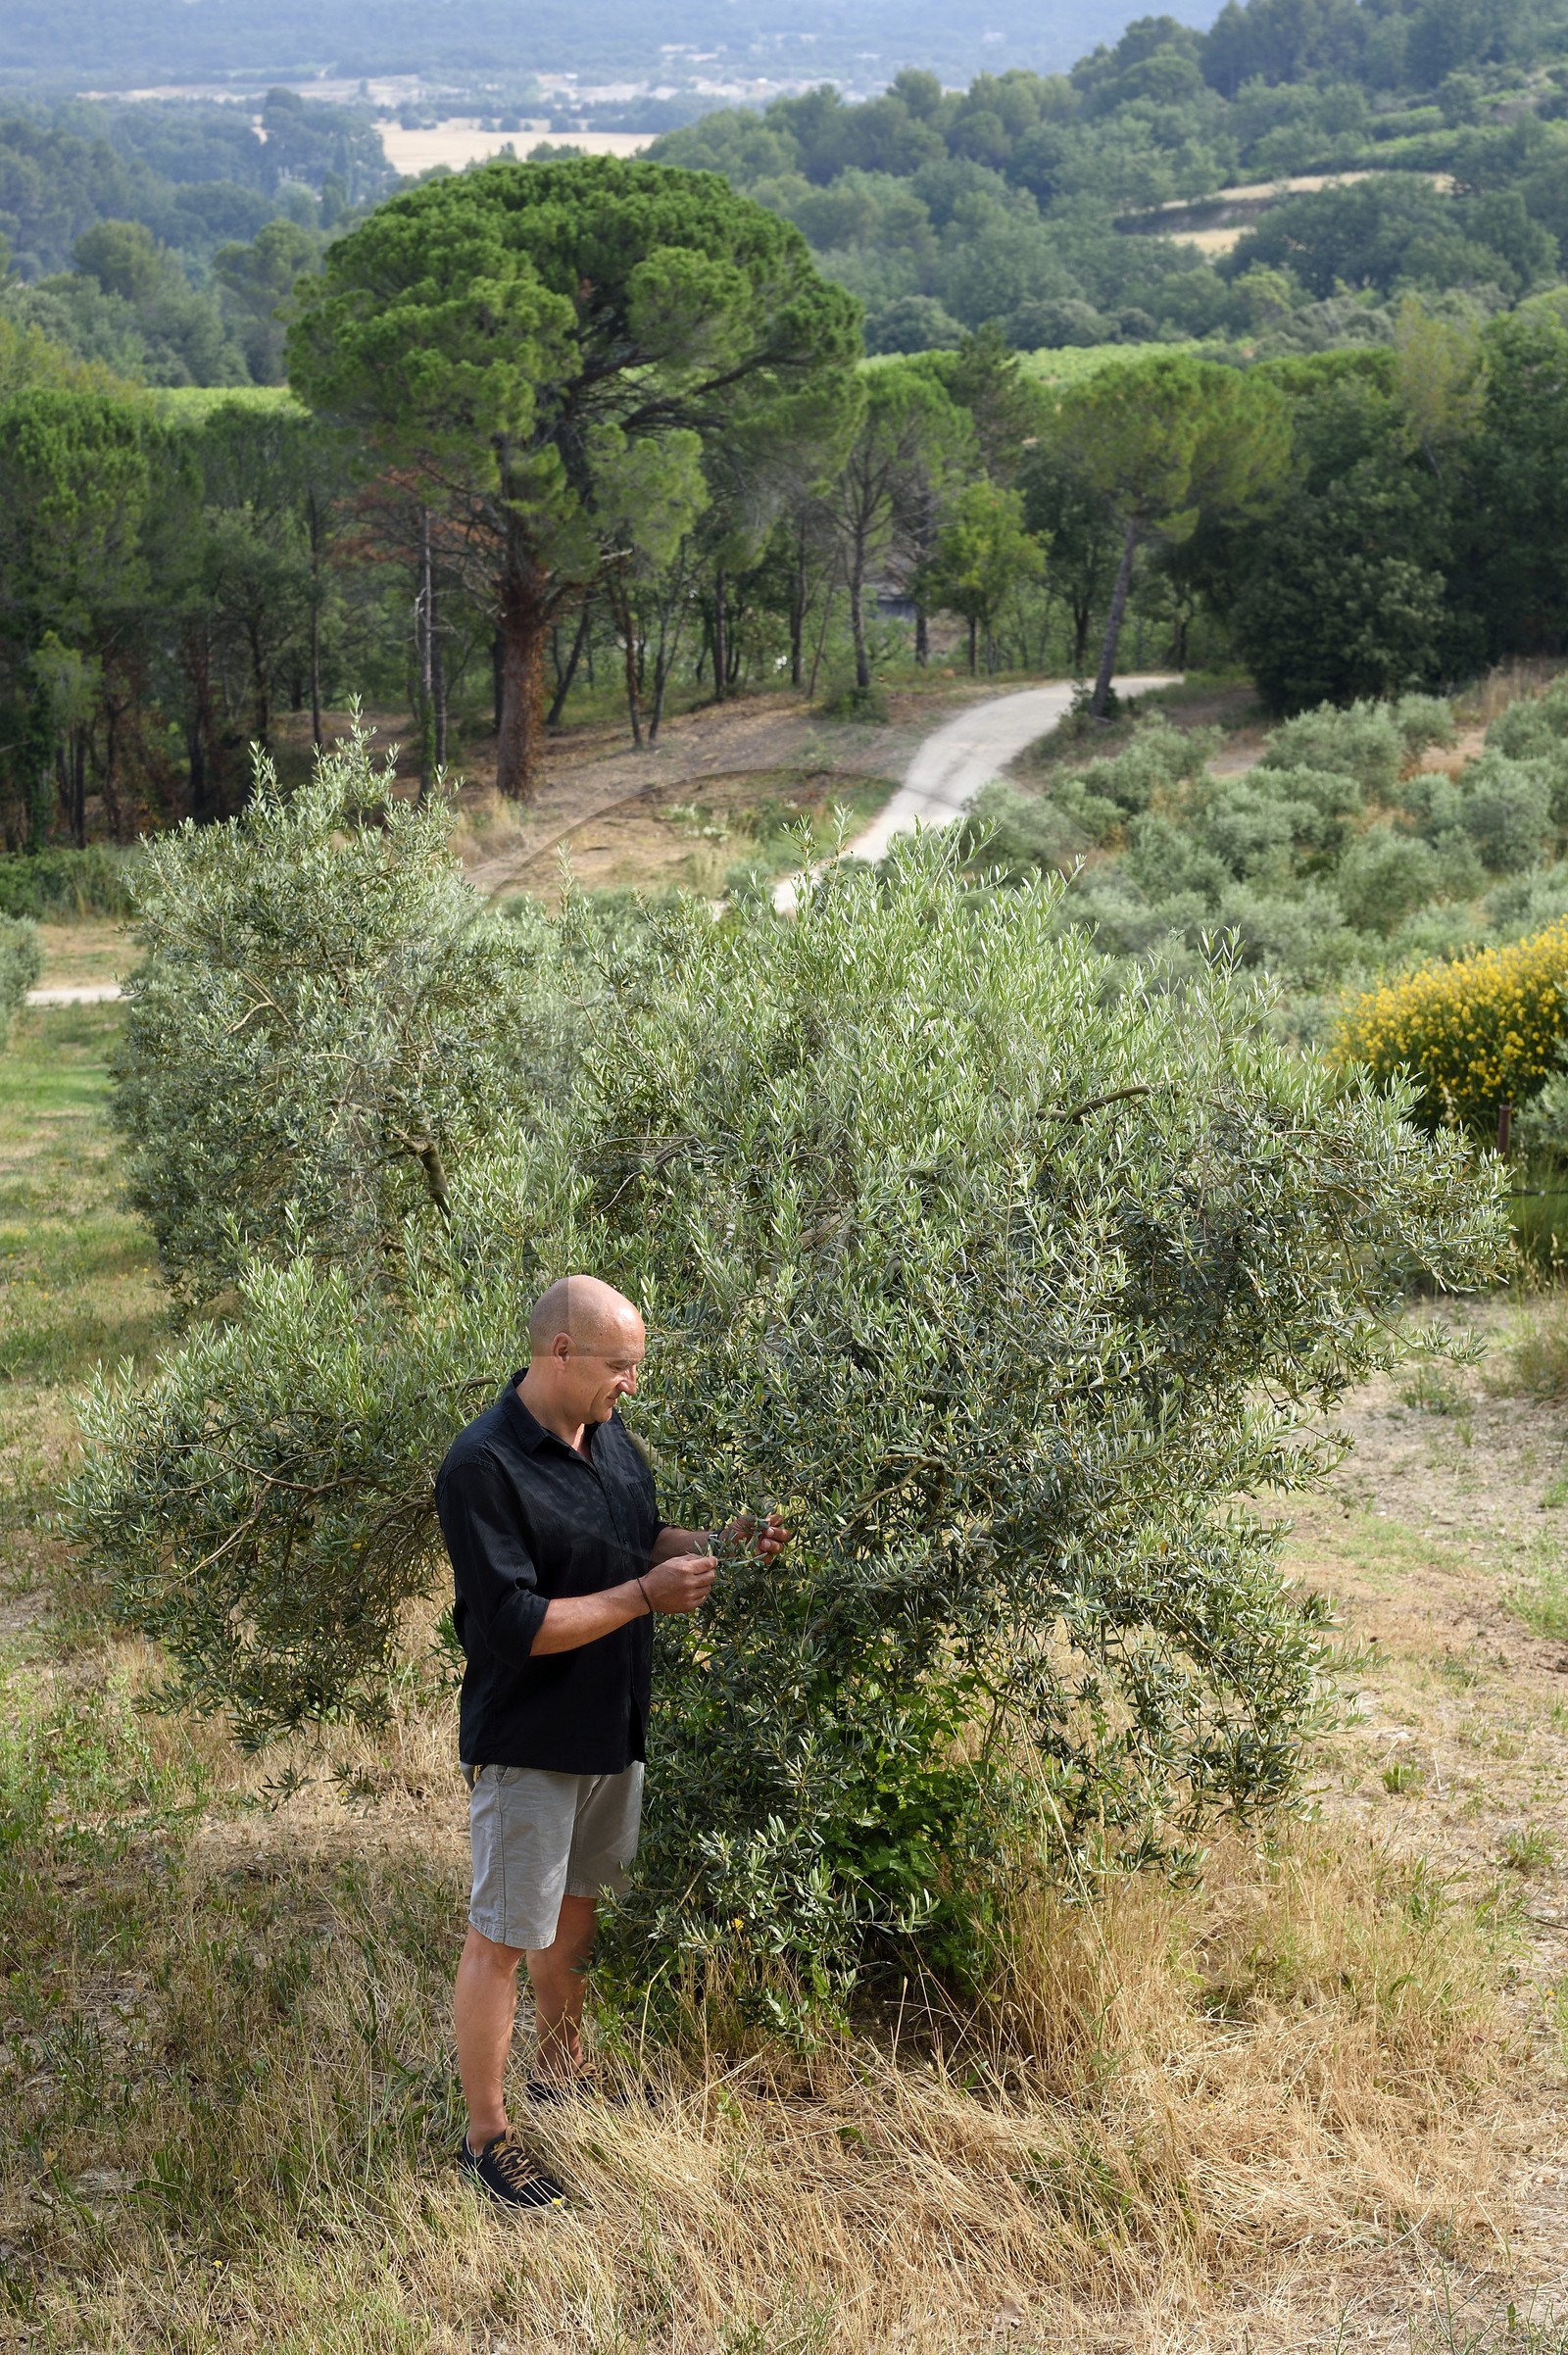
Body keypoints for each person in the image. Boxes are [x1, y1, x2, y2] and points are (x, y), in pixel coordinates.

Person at [435, 1274, 786, 2209]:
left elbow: (638, 1535)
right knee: (502, 1936)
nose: (631, 1383)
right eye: (620, 1366)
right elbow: (513, 1622)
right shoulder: (483, 1467)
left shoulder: (610, 1433)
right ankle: (487, 2136)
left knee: (578, 1908)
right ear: (560, 1352)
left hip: (612, 1723)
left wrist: (722, 1540)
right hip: (533, 1739)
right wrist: (643, 1598)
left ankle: (565, 2068)